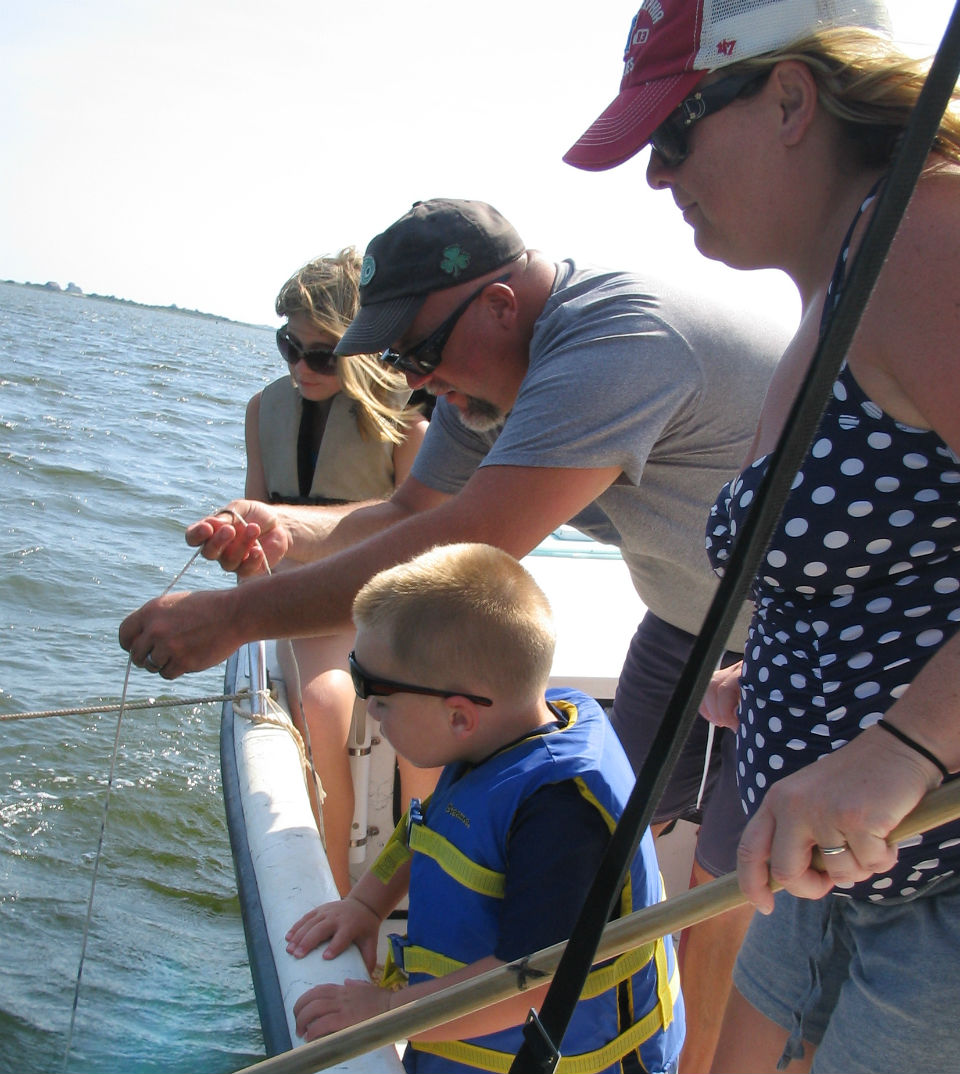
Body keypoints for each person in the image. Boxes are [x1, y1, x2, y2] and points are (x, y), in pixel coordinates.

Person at [119, 199, 788, 988]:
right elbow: (408, 512)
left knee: (726, 885)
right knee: (621, 828)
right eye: (400, 363)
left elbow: (473, 541)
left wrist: (233, 617)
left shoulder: (616, 343)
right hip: (682, 621)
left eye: (421, 351)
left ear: (500, 305)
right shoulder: (485, 376)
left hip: (806, 629)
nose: (419, 380)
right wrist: (283, 526)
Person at [565, 1, 960, 1071]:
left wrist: (901, 746)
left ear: (789, 98)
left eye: (673, 136)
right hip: (837, 873)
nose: (656, 176)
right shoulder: (837, 282)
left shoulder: (924, 238)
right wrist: (787, 669)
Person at [284, 542, 685, 1074]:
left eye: (376, 694)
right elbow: (431, 828)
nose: (370, 710)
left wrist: (384, 1012)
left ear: (459, 716)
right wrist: (366, 904)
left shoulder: (561, 816)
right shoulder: (503, 731)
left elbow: (529, 983)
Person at [246, 250, 429, 894]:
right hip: (307, 594)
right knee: (325, 704)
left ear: (359, 349)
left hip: (386, 591)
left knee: (420, 709)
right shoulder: (261, 410)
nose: (300, 367)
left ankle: (423, 872)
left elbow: (422, 534)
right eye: (287, 347)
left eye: (320, 354)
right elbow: (258, 543)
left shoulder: (409, 420)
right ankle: (335, 888)